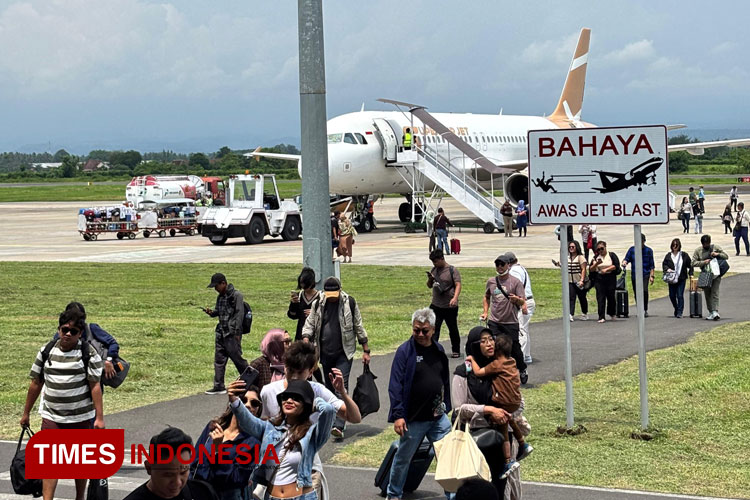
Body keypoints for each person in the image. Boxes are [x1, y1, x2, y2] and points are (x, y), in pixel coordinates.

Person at [260, 341, 362, 499]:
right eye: (290, 370)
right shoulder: (269, 392)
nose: (294, 377)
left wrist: (342, 391)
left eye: (299, 372)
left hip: (308, 470)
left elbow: (355, 417)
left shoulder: (318, 391)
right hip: (276, 470)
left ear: (310, 371)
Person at [21, 308, 104, 500]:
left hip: (80, 417)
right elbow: (35, 383)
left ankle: (79, 497)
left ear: (80, 333)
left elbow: (95, 386)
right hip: (52, 417)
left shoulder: (88, 353)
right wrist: (26, 413)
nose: (68, 334)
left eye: (73, 331)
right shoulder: (46, 351)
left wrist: (99, 418)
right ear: (59, 330)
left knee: (79, 463)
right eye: (64, 329)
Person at [228, 378, 334, 500]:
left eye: (296, 398)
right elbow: (247, 421)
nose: (289, 401)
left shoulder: (312, 434)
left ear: (305, 404)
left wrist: (315, 403)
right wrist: (233, 399)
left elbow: (328, 411)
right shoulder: (269, 428)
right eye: (285, 397)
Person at [386, 308, 452, 500]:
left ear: (433, 329)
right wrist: (398, 415)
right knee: (403, 459)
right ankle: (394, 494)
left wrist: (445, 405)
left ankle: (452, 494)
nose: (420, 335)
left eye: (425, 331)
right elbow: (395, 385)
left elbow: (443, 380)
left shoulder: (439, 350)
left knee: (447, 457)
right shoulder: (405, 352)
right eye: (416, 330)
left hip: (438, 418)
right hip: (413, 419)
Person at [452, 326, 525, 499]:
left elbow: (519, 401)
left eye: (491, 339)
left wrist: (506, 412)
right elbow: (459, 408)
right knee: (476, 491)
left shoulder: (502, 367)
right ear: (474, 346)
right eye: (483, 341)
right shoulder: (463, 373)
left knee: (500, 488)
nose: (489, 344)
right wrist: (488, 410)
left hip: (500, 439)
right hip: (475, 440)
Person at [301, 277, 370, 438]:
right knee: (329, 388)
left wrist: (366, 349)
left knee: (341, 385)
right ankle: (331, 419)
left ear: (340, 290)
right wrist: (306, 339)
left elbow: (358, 325)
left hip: (344, 353)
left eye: (334, 293)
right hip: (325, 353)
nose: (331, 297)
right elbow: (310, 323)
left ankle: (339, 425)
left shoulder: (349, 303)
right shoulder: (318, 303)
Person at [467, 334, 532, 479]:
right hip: (515, 401)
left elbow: (478, 372)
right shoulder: (512, 361)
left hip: (503, 402)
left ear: (497, 350)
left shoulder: (496, 364)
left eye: (492, 343)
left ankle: (508, 461)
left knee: (503, 429)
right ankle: (523, 444)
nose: (490, 345)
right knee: (510, 419)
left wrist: (472, 359)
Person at [191, 387, 263, 500]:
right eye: (243, 400)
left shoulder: (254, 442)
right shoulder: (213, 427)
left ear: (258, 410)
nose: (248, 405)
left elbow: (236, 479)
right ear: (233, 403)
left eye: (254, 403)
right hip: (200, 492)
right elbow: (194, 461)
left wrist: (218, 451)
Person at [125, 427, 219, 500]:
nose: (177, 482)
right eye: (168, 474)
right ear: (149, 468)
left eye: (183, 472)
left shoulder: (204, 493)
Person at [480, 254, 528, 384]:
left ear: (508, 265)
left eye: (502, 264)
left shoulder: (515, 282)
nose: (500, 267)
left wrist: (517, 300)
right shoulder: (491, 281)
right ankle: (497, 373)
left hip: (510, 322)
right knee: (494, 347)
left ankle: (522, 369)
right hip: (495, 321)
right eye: (497, 264)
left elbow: (522, 301)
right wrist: (485, 312)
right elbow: (486, 296)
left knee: (514, 348)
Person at [52, 301, 120, 384]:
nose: (68, 333)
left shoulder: (91, 329)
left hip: (93, 375)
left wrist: (108, 360)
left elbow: (113, 343)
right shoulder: (60, 335)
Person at [203, 273, 249, 395]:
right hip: (221, 332)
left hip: (231, 333)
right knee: (219, 360)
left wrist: (237, 332)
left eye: (216, 286)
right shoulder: (220, 297)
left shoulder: (236, 295)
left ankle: (251, 380)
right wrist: (211, 313)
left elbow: (239, 314)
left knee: (237, 359)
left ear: (223, 283)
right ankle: (218, 385)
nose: (215, 289)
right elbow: (218, 312)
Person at [427, 249, 462, 357]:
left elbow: (458, 285)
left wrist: (455, 298)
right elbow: (429, 286)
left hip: (449, 306)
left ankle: (456, 350)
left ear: (442, 258)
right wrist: (430, 279)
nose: (435, 264)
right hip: (436, 305)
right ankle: (433, 349)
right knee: (434, 329)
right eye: (433, 262)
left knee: (452, 328)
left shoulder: (452, 270)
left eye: (436, 261)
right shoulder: (434, 270)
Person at [506, 252, 534, 365]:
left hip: (524, 301)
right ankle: (527, 356)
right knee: (525, 329)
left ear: (508, 263)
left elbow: (518, 286)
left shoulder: (514, 271)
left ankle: (519, 358)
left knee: (520, 330)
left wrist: (522, 303)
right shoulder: (520, 268)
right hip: (527, 300)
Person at [691, 235, 728, 320]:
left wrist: (717, 254)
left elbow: (726, 256)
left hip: (716, 274)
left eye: (707, 243)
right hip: (705, 275)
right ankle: (711, 311)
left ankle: (715, 311)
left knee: (715, 292)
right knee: (707, 294)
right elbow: (693, 263)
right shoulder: (698, 251)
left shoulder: (716, 247)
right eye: (704, 244)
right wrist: (703, 262)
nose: (706, 245)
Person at [552, 240, 589, 321]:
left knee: (582, 297)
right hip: (570, 281)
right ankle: (570, 314)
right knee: (571, 298)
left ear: (577, 247)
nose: (571, 248)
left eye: (573, 247)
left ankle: (584, 313)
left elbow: (583, 269)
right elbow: (566, 267)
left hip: (578, 281)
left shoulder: (580, 257)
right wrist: (558, 264)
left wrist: (582, 280)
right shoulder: (567, 257)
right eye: (570, 247)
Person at [622, 234, 655, 317]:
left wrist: (652, 276)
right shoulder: (632, 250)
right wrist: (624, 262)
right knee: (637, 292)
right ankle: (639, 309)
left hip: (645, 273)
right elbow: (627, 258)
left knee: (644, 291)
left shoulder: (648, 251)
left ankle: (645, 309)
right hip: (635, 274)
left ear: (644, 241)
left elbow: (652, 265)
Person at [589, 241, 620, 323]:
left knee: (611, 297)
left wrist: (606, 269)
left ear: (605, 247)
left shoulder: (611, 255)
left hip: (610, 278)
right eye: (598, 249)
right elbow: (591, 269)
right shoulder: (596, 257)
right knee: (600, 297)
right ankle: (601, 316)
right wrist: (596, 264)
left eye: (602, 248)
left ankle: (612, 313)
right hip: (599, 279)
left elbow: (616, 266)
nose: (600, 251)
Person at [662, 238, 692, 318]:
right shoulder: (668, 255)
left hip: (681, 278)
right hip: (671, 279)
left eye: (676, 245)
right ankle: (676, 307)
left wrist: (691, 274)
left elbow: (690, 265)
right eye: (673, 245)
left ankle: (680, 311)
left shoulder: (684, 255)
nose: (675, 247)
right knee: (672, 295)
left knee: (679, 295)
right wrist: (667, 269)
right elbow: (664, 264)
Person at [288, 267, 319, 342]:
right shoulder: (299, 296)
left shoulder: (320, 297)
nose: (303, 287)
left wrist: (314, 314)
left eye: (306, 284)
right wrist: (293, 304)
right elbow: (293, 316)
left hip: (316, 334)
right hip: (300, 333)